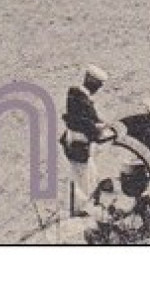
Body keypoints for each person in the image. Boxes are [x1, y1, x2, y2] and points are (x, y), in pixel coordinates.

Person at [61, 66, 111, 210]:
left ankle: (82, 206)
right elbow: (86, 123)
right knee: (84, 178)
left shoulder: (77, 96)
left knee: (87, 174)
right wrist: (99, 128)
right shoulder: (81, 98)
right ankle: (82, 209)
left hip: (76, 141)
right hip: (79, 143)